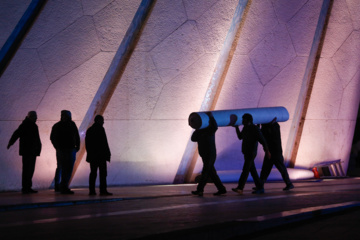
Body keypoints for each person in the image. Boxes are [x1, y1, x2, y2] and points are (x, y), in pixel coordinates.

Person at [231, 113, 271, 195]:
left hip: (251, 153)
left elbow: (263, 140)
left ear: (247, 120)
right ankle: (260, 188)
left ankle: (240, 188)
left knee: (245, 170)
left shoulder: (255, 129)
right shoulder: (246, 128)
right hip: (247, 152)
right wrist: (237, 128)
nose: (242, 121)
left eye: (243, 119)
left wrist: (267, 151)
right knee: (253, 171)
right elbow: (240, 137)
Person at [191, 112, 227, 196]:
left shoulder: (208, 129)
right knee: (212, 173)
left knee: (205, 172)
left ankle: (200, 190)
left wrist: (211, 118)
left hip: (209, 154)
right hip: (206, 154)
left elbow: (215, 127)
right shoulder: (202, 131)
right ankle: (221, 189)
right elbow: (193, 139)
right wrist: (197, 129)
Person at [7, 111, 42, 194]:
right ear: (31, 117)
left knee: (29, 170)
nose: (36, 118)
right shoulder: (26, 125)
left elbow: (16, 134)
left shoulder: (30, 125)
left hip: (30, 151)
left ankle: (27, 187)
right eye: (35, 116)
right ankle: (26, 187)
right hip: (28, 151)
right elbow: (16, 134)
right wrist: (10, 143)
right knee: (28, 170)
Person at [259, 118, 294, 191]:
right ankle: (289, 183)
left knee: (266, 169)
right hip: (274, 152)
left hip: (273, 152)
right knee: (274, 169)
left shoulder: (271, 128)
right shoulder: (275, 126)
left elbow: (264, 134)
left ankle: (261, 185)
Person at [50, 110, 80, 194]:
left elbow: (76, 136)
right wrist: (58, 147)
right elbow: (53, 138)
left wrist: (77, 146)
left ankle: (61, 185)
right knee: (64, 168)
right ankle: (63, 186)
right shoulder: (69, 125)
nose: (64, 117)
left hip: (67, 149)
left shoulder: (59, 125)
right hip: (65, 149)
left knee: (64, 167)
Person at [85, 115, 112, 196]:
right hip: (101, 156)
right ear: (99, 120)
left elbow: (87, 144)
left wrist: (90, 153)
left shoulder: (90, 130)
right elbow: (104, 143)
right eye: (102, 120)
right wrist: (107, 154)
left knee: (93, 173)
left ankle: (92, 190)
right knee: (103, 174)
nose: (103, 122)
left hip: (93, 156)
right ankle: (103, 190)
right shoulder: (101, 129)